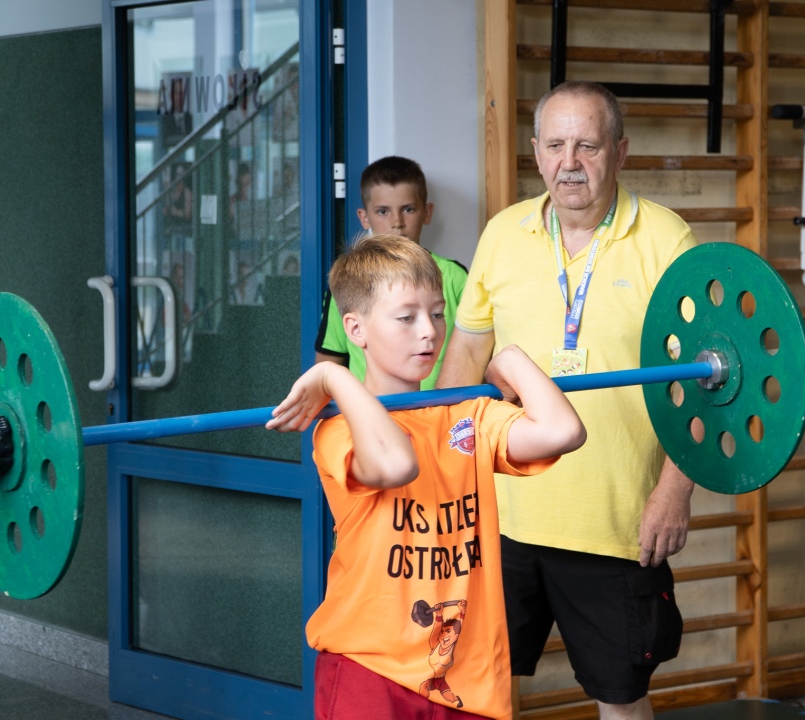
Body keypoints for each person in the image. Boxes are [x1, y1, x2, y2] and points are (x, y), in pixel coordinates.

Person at [437, 80, 696, 720]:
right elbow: (466, 352)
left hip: (615, 526)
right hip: (502, 517)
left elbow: (701, 381)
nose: (570, 162)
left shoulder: (667, 240)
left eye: (588, 145)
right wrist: (447, 469)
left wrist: (674, 491)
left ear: (620, 151)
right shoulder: (503, 233)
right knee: (474, 690)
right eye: (555, 145)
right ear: (535, 151)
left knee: (621, 700)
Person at [267, 235, 586, 720]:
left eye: (437, 314)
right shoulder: (338, 430)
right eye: (406, 317)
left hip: (466, 677)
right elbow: (396, 465)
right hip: (368, 666)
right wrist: (336, 378)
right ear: (355, 329)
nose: (429, 332)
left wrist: (510, 359)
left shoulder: (468, 416)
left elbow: (563, 432)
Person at [315, 156, 467, 389]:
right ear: (364, 217)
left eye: (408, 209)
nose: (397, 222)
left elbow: (473, 351)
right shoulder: (349, 282)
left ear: (427, 213)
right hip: (368, 406)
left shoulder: (455, 276)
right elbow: (328, 364)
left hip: (442, 408)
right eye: (383, 211)